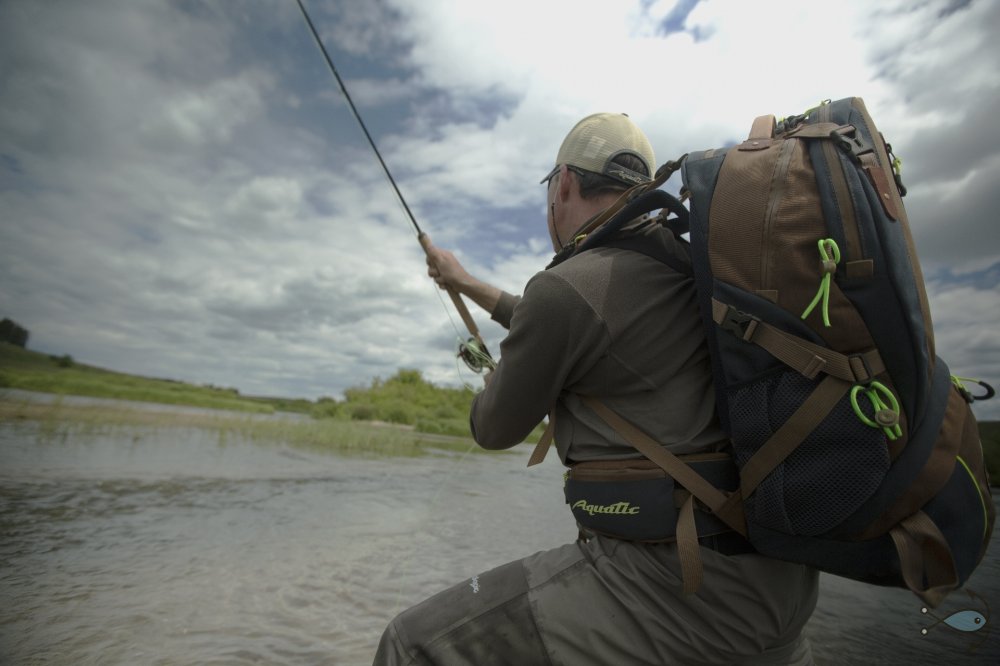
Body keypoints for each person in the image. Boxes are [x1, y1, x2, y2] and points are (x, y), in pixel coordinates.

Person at [373, 113, 819, 665]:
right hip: (782, 583)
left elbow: (492, 428)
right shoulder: (695, 266)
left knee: (411, 645)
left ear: (562, 184)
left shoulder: (567, 287)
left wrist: (498, 379)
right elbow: (574, 320)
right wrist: (465, 283)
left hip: (673, 585)